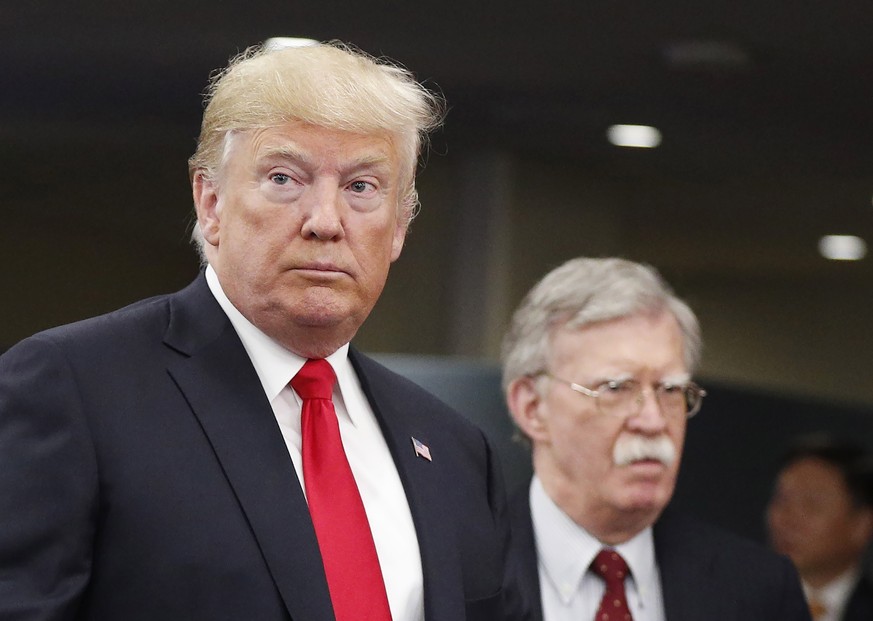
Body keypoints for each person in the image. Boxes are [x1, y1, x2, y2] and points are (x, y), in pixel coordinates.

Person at [0, 41, 522, 621]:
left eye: (361, 188)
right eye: (283, 178)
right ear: (211, 202)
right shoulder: (74, 389)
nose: (326, 221)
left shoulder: (453, 449)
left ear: (399, 227)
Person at [500, 256, 811, 620]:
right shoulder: (460, 565)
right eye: (615, 388)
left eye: (670, 390)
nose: (653, 420)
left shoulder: (759, 589)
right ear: (532, 407)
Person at [767, 435, 873, 620]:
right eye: (782, 499)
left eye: (812, 504)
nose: (788, 520)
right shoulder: (735, 603)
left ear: (862, 525)